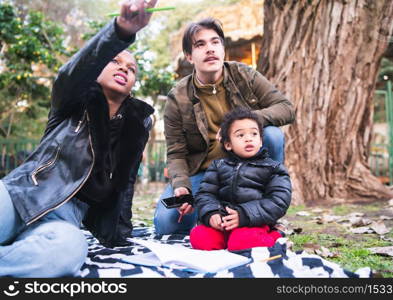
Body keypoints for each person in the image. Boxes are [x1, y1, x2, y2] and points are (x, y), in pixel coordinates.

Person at [0, 0, 157, 277]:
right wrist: (120, 32)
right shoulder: (70, 102)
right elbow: (69, 74)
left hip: (63, 221)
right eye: (114, 60)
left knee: (67, 252)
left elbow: (125, 183)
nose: (124, 68)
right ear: (97, 69)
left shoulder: (133, 128)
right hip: (21, 195)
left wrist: (118, 233)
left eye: (131, 68)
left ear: (133, 83)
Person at [154, 17, 295, 235]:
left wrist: (248, 120)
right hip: (203, 174)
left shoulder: (244, 75)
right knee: (166, 223)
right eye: (200, 44)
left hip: (249, 169)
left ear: (223, 49)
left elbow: (286, 108)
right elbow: (176, 153)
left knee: (272, 135)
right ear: (189, 56)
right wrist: (182, 186)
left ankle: (267, 215)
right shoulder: (177, 97)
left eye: (215, 42)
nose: (209, 49)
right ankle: (210, 213)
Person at [189, 108, 291, 250]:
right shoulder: (218, 166)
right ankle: (228, 240)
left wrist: (244, 215)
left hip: (254, 221)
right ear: (228, 144)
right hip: (224, 222)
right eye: (240, 135)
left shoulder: (273, 168)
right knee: (199, 237)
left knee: (242, 242)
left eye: (254, 134)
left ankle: (275, 235)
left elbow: (279, 201)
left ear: (261, 141)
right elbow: (205, 194)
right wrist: (212, 213)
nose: (248, 138)